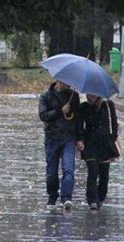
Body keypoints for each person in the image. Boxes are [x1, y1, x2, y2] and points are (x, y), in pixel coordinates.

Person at [39, 81, 80, 210]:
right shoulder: (46, 96)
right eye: (66, 82)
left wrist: (80, 138)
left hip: (68, 137)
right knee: (51, 172)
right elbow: (43, 115)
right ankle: (52, 197)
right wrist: (60, 111)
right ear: (59, 80)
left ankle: (66, 197)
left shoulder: (74, 96)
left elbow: (77, 118)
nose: (69, 85)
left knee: (69, 169)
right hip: (52, 138)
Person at [76, 94, 119, 210]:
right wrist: (80, 139)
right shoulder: (83, 107)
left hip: (105, 144)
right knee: (93, 172)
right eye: (90, 93)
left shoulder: (108, 105)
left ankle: (100, 198)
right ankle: (92, 200)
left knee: (104, 175)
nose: (92, 95)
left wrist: (113, 138)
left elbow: (114, 122)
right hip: (90, 144)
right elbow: (79, 124)